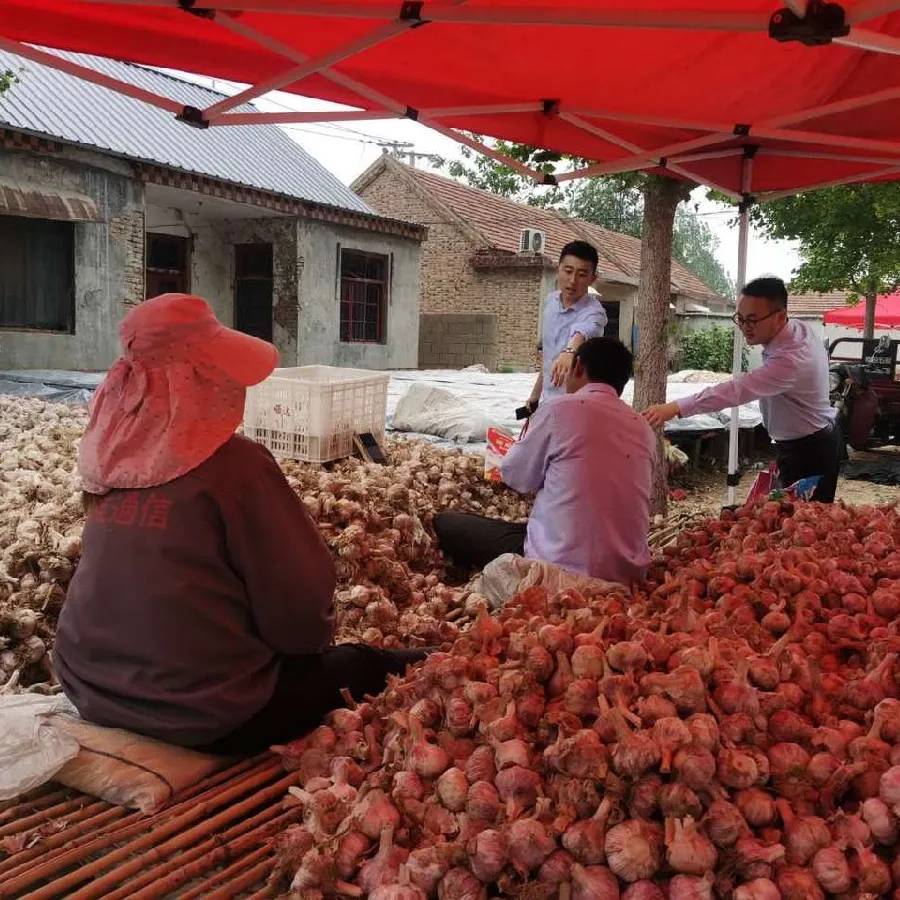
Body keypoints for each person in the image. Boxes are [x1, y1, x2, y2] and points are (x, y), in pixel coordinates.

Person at [53, 293, 423, 755]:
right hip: (206, 714)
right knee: (362, 663)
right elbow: (301, 623)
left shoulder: (106, 465)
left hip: (90, 692)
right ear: (202, 377)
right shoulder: (236, 467)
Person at [436, 337, 655, 585]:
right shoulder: (643, 427)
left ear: (578, 366)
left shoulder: (559, 409)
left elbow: (516, 477)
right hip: (628, 573)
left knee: (447, 523)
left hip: (559, 566)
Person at [643, 276, 840, 502]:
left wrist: (674, 407)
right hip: (806, 441)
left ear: (781, 316)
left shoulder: (791, 360)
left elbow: (736, 391)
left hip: (809, 452)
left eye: (753, 320)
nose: (745, 327)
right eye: (741, 319)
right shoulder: (797, 329)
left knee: (805, 527)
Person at [524, 240, 607, 413]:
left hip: (577, 408)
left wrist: (569, 351)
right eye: (568, 271)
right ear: (558, 269)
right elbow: (549, 357)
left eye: (582, 274)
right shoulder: (551, 302)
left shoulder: (595, 312)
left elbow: (585, 329)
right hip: (547, 404)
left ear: (593, 278)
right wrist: (535, 395)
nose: (572, 280)